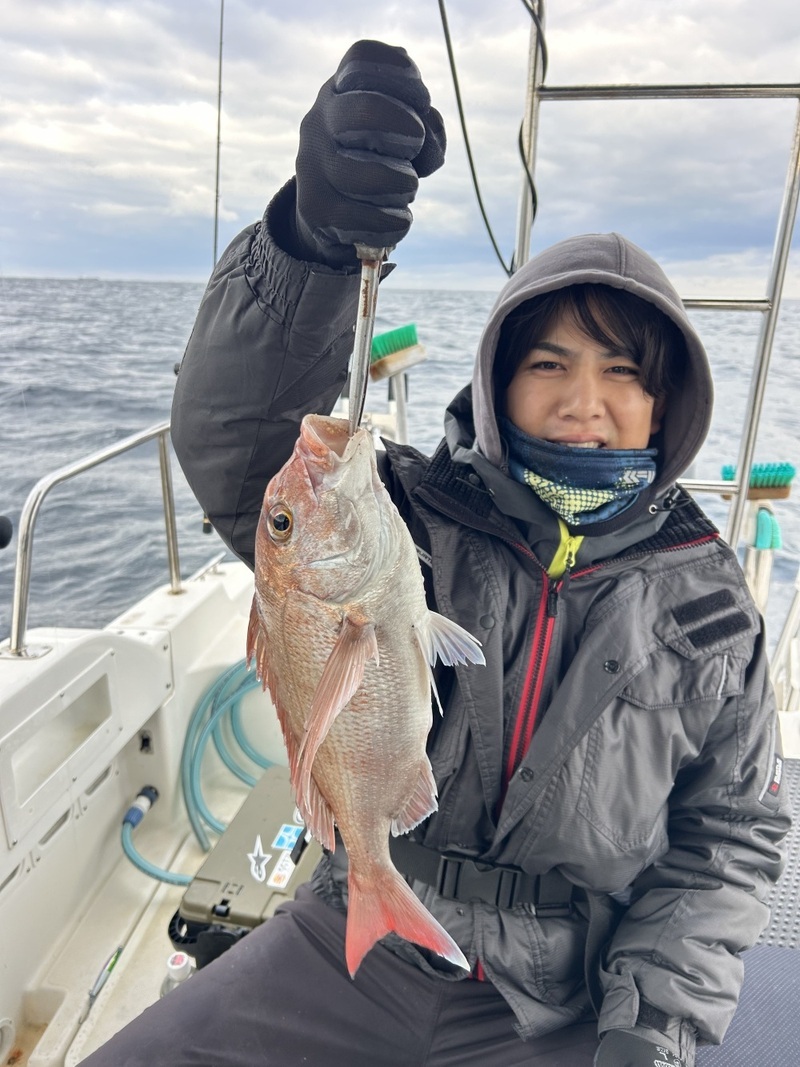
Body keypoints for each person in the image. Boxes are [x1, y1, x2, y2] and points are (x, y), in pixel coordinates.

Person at [82, 41, 793, 1067]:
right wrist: (311, 243)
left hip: (565, 991)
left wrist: (654, 1028)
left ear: (664, 398)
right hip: (351, 933)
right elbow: (238, 442)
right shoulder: (411, 512)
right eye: (547, 362)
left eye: (621, 372)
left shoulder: (711, 604)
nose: (583, 399)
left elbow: (728, 838)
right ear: (496, 381)